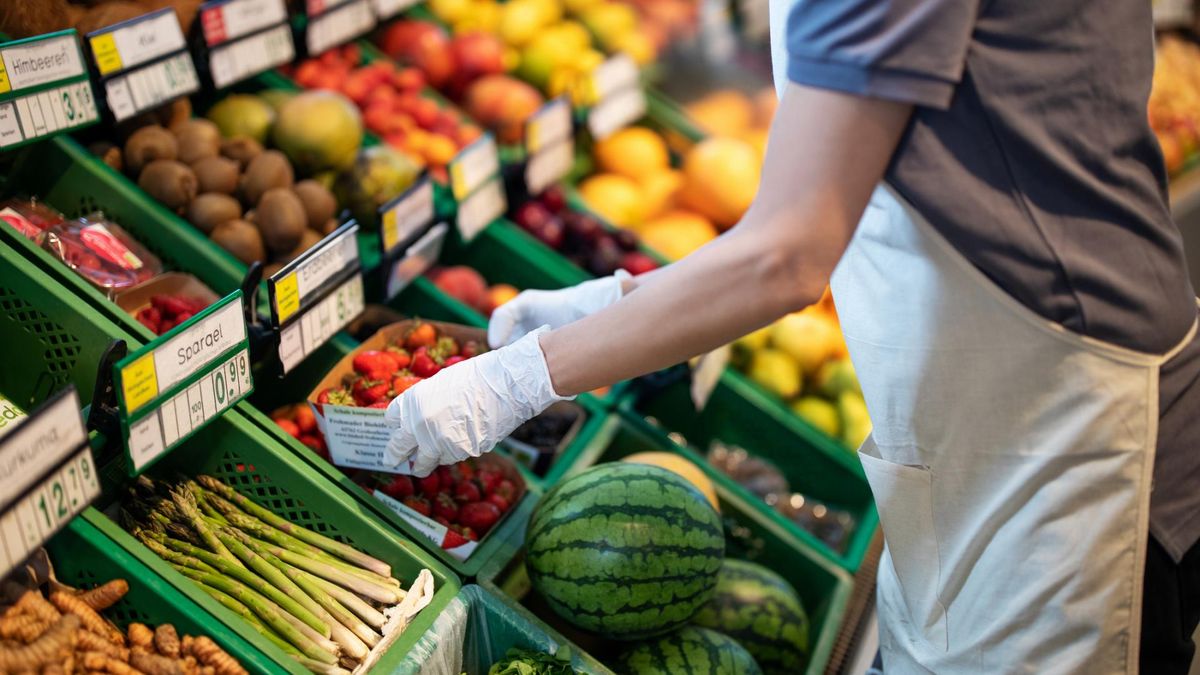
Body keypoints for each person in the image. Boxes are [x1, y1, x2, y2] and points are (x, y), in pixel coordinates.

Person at [386, 0, 1200, 671]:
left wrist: (520, 377)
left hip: (1072, 448)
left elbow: (787, 256)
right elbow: (848, 187)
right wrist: (619, 302)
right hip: (993, 424)